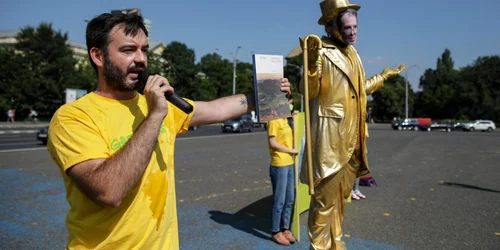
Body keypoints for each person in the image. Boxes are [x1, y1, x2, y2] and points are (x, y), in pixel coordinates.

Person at [47, 13, 291, 249]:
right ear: (98, 56)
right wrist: (154, 116)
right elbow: (108, 192)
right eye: (128, 50)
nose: (141, 59)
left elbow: (217, 109)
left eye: (144, 49)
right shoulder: (73, 117)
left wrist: (267, 93)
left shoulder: (160, 104)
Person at [299, 1, 405, 249]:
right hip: (330, 142)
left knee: (341, 200)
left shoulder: (353, 54)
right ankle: (319, 247)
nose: (353, 32)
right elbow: (308, 91)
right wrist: (312, 64)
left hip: (352, 140)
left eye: (355, 27)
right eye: (347, 28)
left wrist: (382, 77)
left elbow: (359, 91)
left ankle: (336, 242)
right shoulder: (322, 52)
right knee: (324, 205)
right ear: (331, 26)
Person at [266, 114, 298, 246]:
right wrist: (290, 150)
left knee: (290, 199)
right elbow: (273, 143)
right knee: (279, 200)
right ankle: (275, 231)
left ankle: (285, 228)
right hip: (279, 164)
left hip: (290, 162)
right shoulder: (273, 120)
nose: (288, 104)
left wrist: (296, 121)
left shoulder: (286, 119)